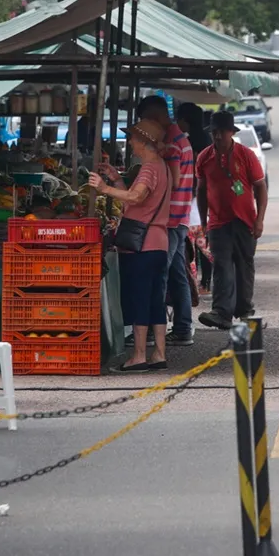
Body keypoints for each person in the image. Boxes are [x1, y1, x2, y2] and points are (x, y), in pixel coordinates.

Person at [88, 118, 172, 371]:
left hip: (142, 246)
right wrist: (116, 180)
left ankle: (138, 355)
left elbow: (136, 197)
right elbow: (133, 203)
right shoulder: (163, 168)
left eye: (133, 138)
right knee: (155, 299)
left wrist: (104, 188)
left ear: (144, 142)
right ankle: (159, 352)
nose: (130, 142)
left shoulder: (148, 168)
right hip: (159, 243)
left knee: (139, 299)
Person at [196, 111, 267, 330]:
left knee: (244, 266)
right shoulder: (204, 157)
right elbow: (201, 191)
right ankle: (222, 313)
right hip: (218, 222)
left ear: (231, 133)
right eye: (214, 133)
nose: (217, 137)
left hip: (245, 221)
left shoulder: (246, 155)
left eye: (221, 132)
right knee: (221, 266)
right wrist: (204, 223)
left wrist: (259, 220)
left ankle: (245, 311)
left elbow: (261, 188)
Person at [136, 95, 195, 346]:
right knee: (177, 274)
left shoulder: (171, 143)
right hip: (180, 217)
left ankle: (151, 330)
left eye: (145, 120)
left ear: (155, 117)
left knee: (159, 273)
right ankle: (182, 328)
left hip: (169, 219)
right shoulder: (180, 138)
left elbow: (175, 180)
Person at [176, 102, 213, 295]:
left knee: (195, 246)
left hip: (195, 202)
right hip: (203, 202)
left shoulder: (191, 144)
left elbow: (194, 176)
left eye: (179, 119)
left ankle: (200, 284)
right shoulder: (205, 139)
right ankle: (205, 283)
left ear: (185, 120)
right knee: (202, 246)